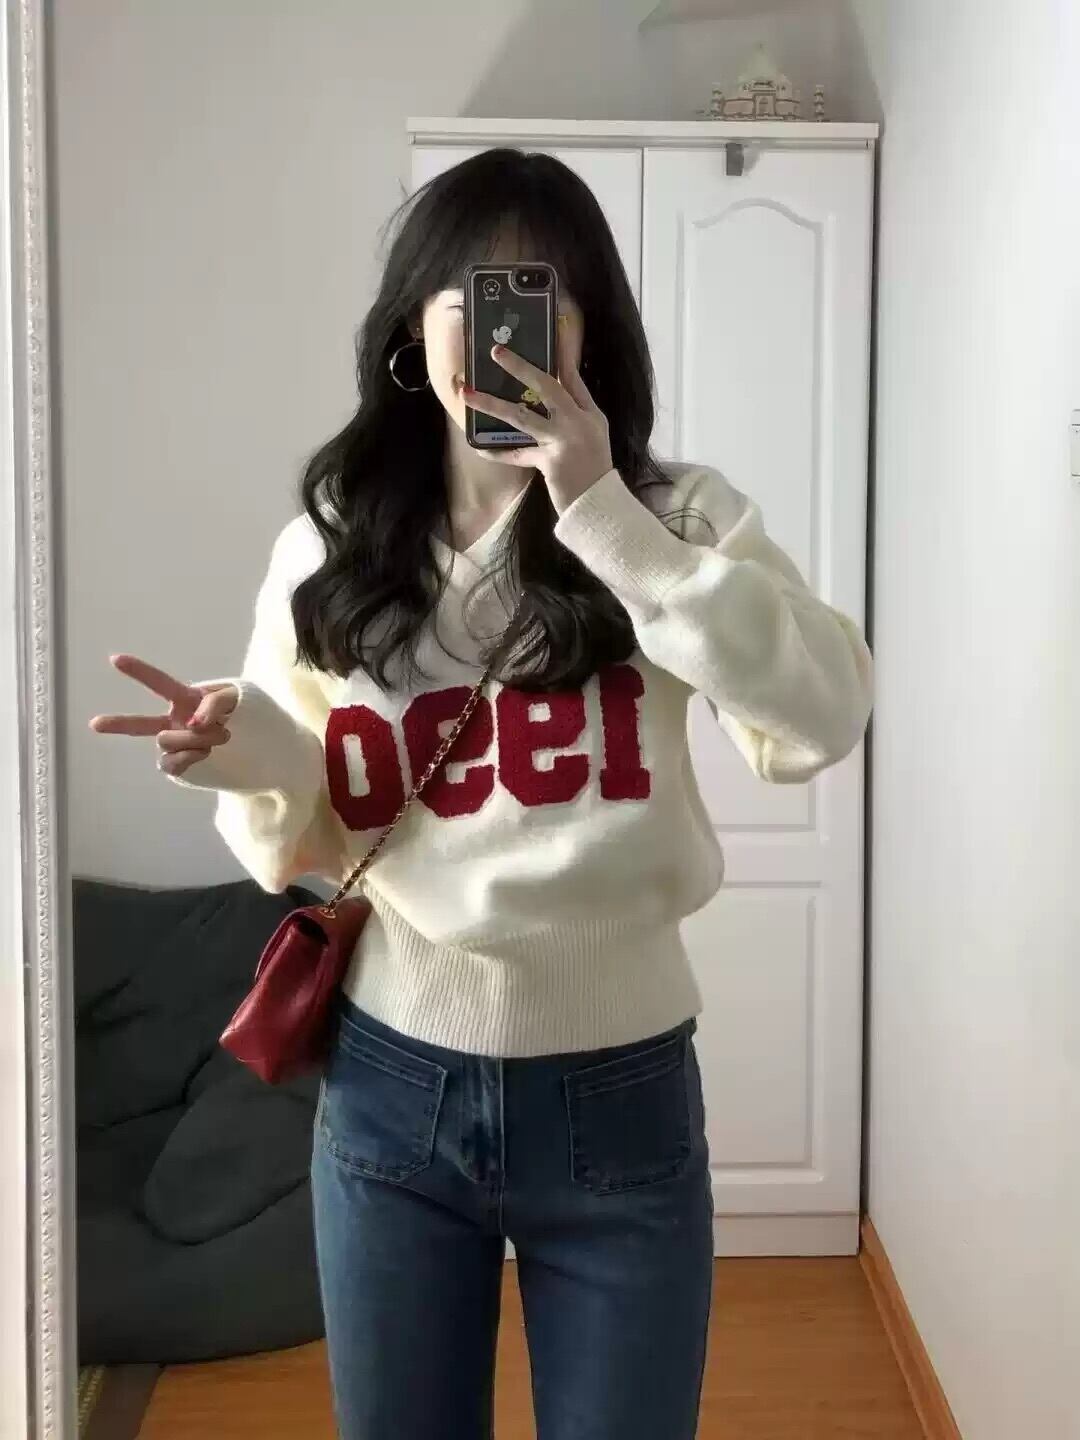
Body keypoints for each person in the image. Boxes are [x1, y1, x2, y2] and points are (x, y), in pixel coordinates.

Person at [91, 148, 873, 1440]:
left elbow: (825, 710)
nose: (504, 329)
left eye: (542, 295)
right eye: (471, 293)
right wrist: (243, 752)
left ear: (590, 329)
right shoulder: (333, 542)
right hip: (393, 1084)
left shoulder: (676, 520)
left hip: (620, 1095)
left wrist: (604, 514)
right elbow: (307, 813)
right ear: (415, 326)